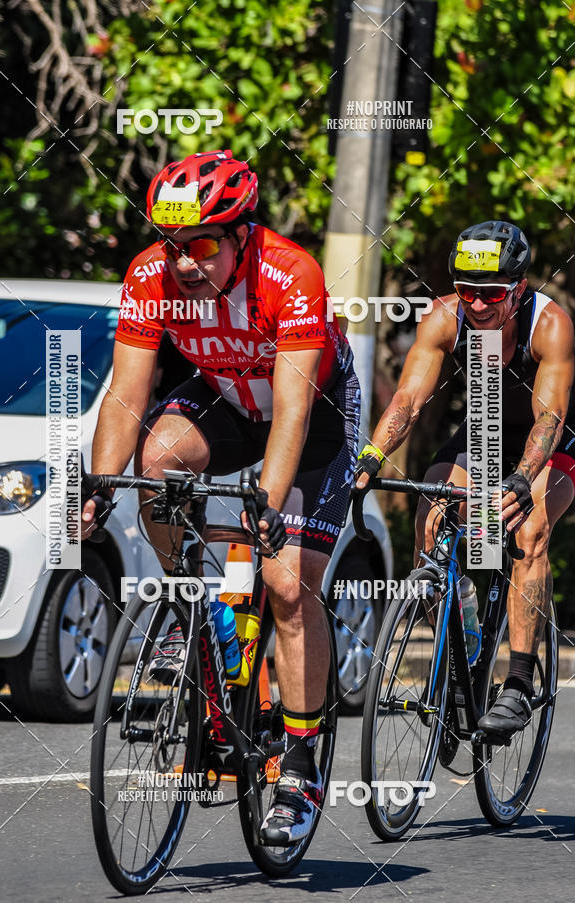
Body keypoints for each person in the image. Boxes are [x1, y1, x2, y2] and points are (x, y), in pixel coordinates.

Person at [82, 150, 360, 844]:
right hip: (227, 400)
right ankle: (193, 608)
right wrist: (99, 484)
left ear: (242, 233)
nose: (182, 262)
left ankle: (298, 762)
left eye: (201, 245)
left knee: (288, 581)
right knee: (157, 462)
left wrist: (268, 503)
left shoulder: (290, 274)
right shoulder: (151, 275)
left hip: (313, 415)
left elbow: (292, 411)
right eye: (171, 244)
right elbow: (126, 392)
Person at [356, 220, 575, 738]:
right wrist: (370, 457)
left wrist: (522, 480)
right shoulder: (445, 318)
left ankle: (518, 684)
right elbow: (408, 400)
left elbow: (549, 416)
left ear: (519, 287)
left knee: (527, 528)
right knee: (432, 517)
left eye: (491, 293)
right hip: (487, 427)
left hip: (555, 436)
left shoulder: (550, 325)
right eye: (467, 290)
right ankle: (462, 643)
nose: (476, 304)